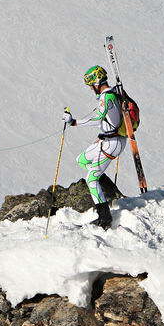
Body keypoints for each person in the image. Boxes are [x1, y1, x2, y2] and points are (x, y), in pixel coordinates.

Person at [62, 66, 126, 230]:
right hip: (106, 140)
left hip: (112, 143)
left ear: (97, 82)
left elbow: (98, 119)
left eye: (91, 85)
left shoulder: (107, 97)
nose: (90, 88)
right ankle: (108, 191)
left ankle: (104, 219)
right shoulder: (108, 95)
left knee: (91, 178)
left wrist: (74, 122)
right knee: (82, 160)